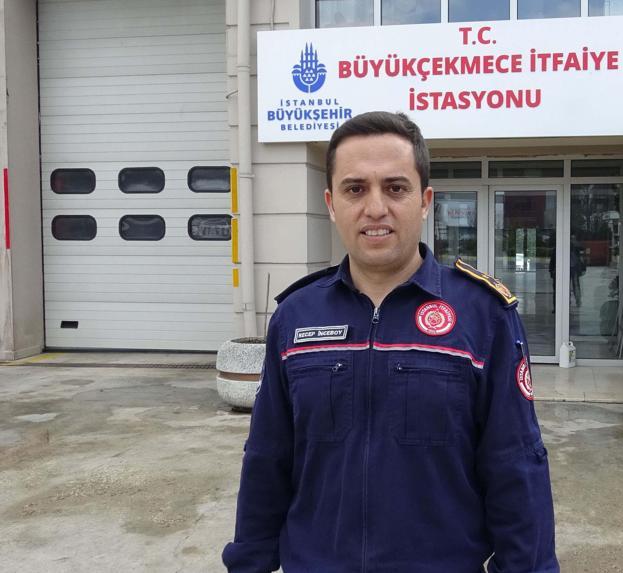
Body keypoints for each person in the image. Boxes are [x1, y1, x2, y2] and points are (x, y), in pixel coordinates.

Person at [222, 111, 559, 573]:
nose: (375, 207)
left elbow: (515, 467)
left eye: (396, 188)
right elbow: (267, 457)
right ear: (331, 203)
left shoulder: (485, 317)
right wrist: (249, 562)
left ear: (425, 201)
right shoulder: (295, 317)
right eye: (355, 189)